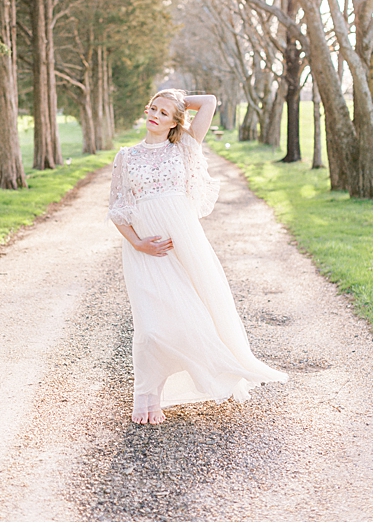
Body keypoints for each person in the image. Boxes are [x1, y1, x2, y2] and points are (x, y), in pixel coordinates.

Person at [108, 89, 288, 425]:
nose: (155, 115)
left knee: (193, 318)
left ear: (176, 121)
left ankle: (213, 372)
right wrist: (138, 243)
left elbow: (209, 101)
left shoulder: (184, 147)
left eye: (164, 113)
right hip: (146, 250)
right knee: (150, 328)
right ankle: (146, 397)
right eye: (152, 108)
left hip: (185, 246)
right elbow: (117, 209)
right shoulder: (126, 156)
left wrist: (175, 100)